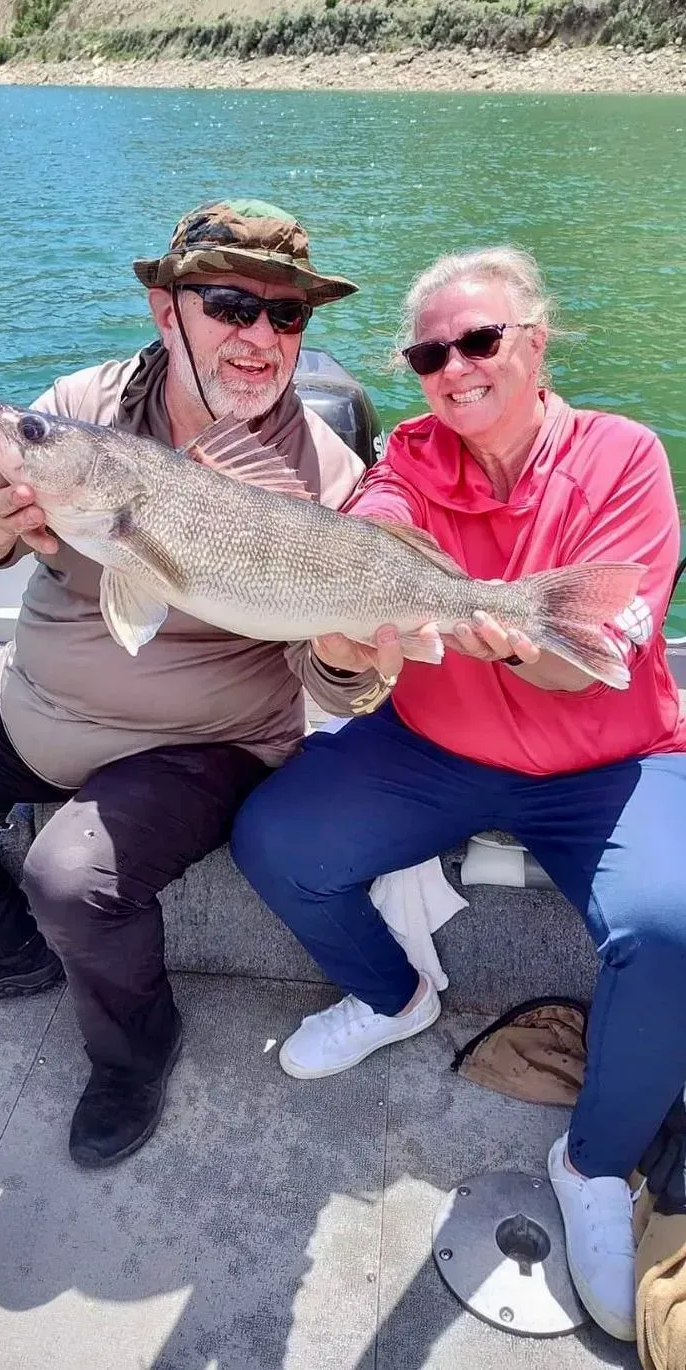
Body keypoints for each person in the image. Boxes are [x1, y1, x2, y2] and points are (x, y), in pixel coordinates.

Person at [0, 198, 378, 1169]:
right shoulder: (78, 407)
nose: (260, 337)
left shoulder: (322, 472)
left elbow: (335, 683)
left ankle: (134, 1049)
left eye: (286, 314)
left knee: (69, 876)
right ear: (168, 311)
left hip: (198, 748)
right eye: (228, 304)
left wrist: (351, 653)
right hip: (28, 699)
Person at [232, 244, 686, 1344]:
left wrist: (507, 636)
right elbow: (366, 582)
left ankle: (592, 1160)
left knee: (671, 926)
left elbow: (593, 662)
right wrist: (344, 638)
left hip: (612, 760)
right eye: (430, 351)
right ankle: (393, 995)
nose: (454, 366)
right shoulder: (406, 456)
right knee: (277, 837)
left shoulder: (624, 458)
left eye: (478, 340)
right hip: (435, 744)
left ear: (534, 343)